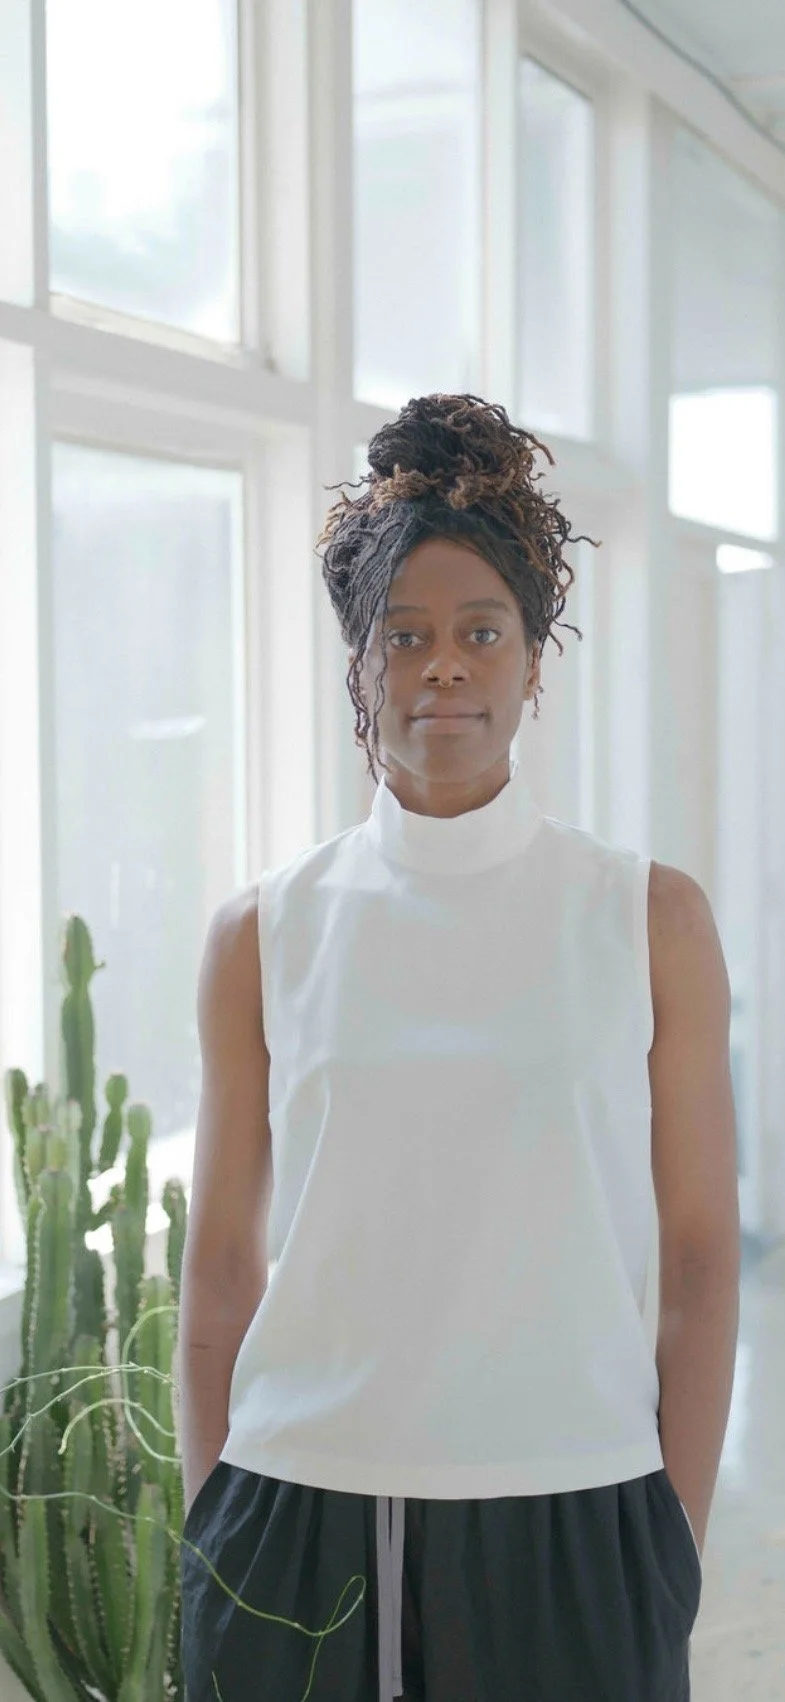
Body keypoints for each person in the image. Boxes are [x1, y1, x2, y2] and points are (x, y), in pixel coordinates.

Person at [177, 393, 739, 1702]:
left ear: (535, 660)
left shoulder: (646, 917)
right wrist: (215, 1536)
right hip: (294, 1515)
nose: (444, 666)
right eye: (407, 635)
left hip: (574, 1511)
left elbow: (705, 1257)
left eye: (482, 632)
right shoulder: (264, 931)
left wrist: (673, 1546)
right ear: (361, 662)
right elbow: (216, 1265)